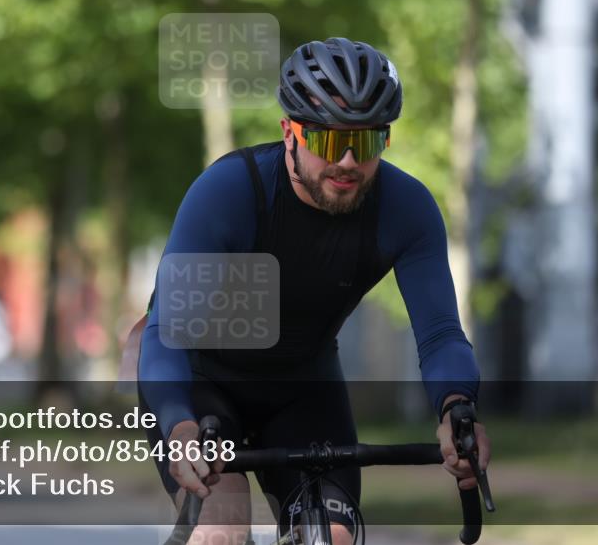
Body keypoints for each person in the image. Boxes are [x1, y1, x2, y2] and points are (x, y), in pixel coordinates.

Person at [137, 38, 491, 544]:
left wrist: (457, 408)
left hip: (303, 389)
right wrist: (179, 427)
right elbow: (165, 332)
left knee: (334, 538)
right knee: (222, 529)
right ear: (289, 133)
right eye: (328, 141)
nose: (348, 160)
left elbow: (439, 334)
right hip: (202, 384)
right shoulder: (230, 193)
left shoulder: (407, 209)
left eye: (366, 142)